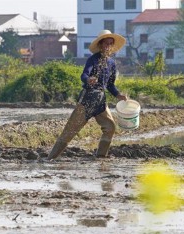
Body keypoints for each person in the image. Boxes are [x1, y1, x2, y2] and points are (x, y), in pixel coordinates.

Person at [47, 30, 128, 160]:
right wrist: (89, 79)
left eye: (110, 44)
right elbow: (84, 75)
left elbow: (110, 85)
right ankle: (51, 158)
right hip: (88, 99)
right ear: (100, 45)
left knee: (110, 127)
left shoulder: (112, 63)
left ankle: (101, 156)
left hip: (101, 101)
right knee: (70, 131)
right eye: (105, 43)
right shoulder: (93, 59)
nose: (108, 46)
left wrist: (119, 95)